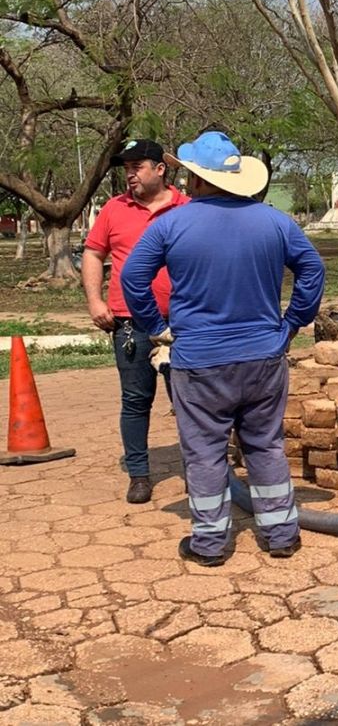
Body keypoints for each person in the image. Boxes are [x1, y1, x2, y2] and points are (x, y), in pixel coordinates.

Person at [120, 130, 325, 567]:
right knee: (266, 446)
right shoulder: (275, 222)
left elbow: (132, 279)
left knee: (205, 452)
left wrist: (156, 327)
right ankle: (281, 535)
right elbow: (312, 269)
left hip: (200, 362)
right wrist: (292, 323)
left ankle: (211, 544)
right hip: (264, 357)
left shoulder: (171, 225)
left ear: (196, 179)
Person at [81, 138, 189, 504]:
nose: (130, 174)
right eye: (126, 168)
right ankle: (140, 475)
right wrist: (95, 300)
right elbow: (94, 254)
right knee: (135, 399)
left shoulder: (187, 208)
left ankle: (198, 471)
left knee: (190, 398)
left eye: (138, 166)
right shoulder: (113, 209)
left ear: (161, 169)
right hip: (131, 323)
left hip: (183, 322)